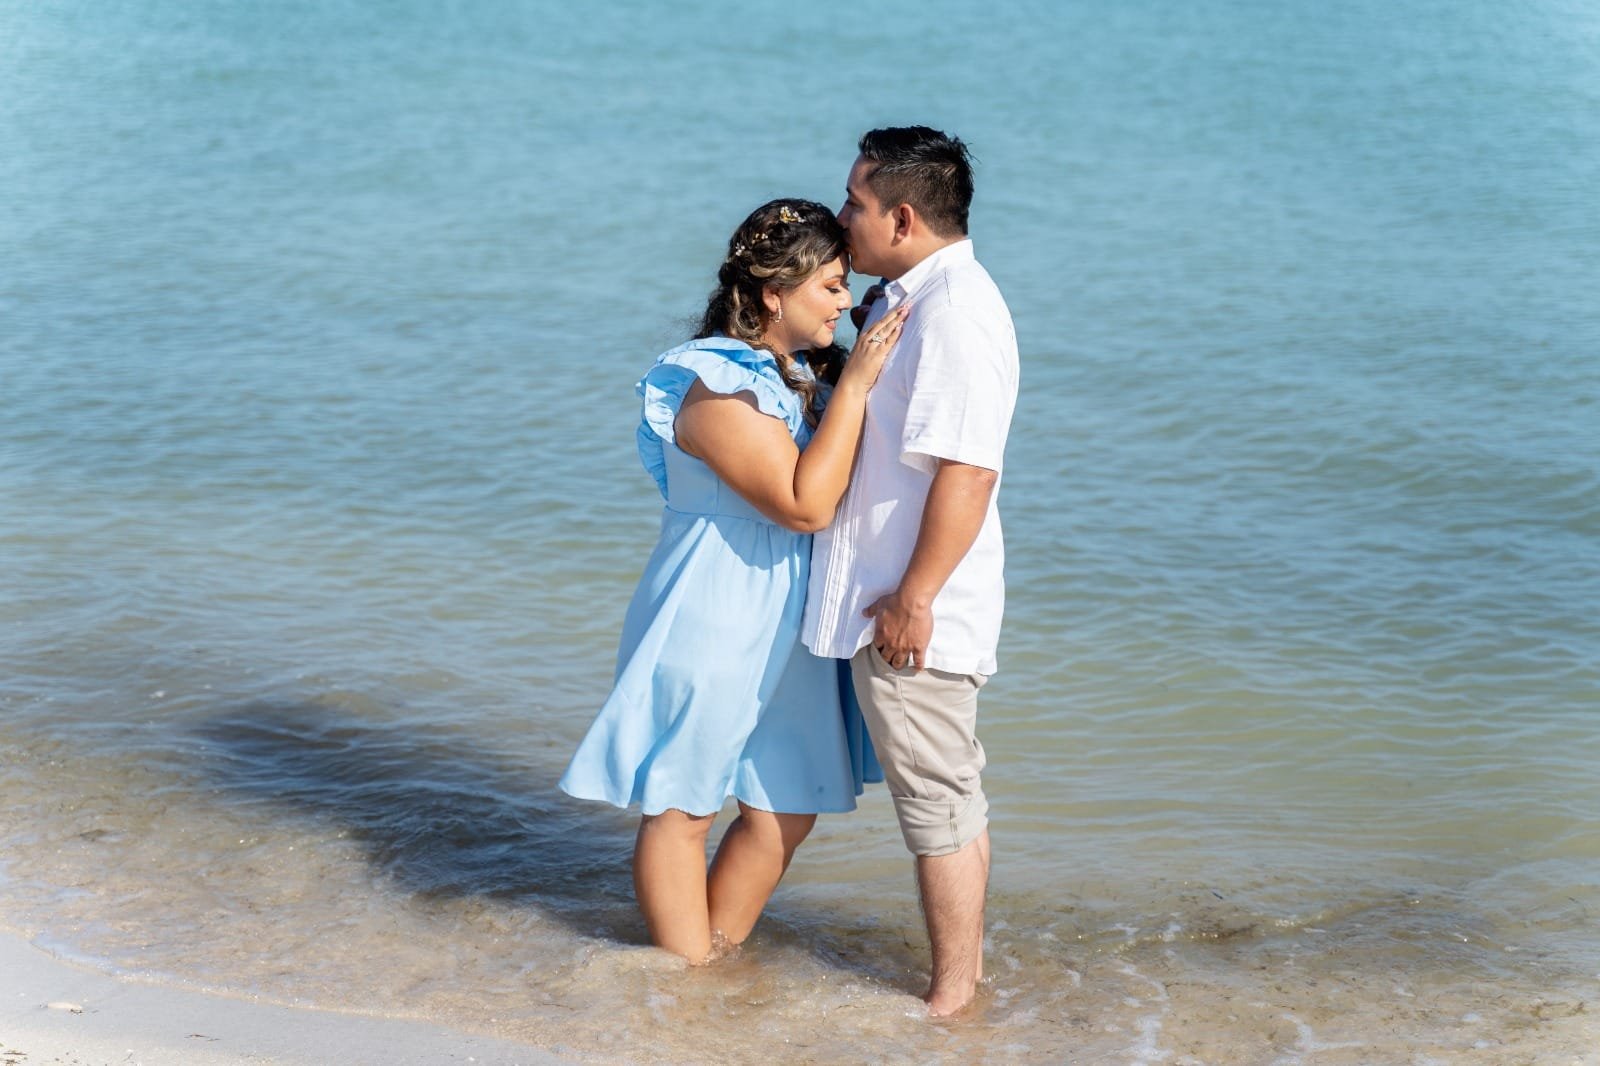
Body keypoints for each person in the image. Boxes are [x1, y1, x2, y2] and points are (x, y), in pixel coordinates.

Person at [559, 198, 908, 964]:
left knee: (788, 803)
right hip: (712, 607)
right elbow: (804, 504)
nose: (845, 303)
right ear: (771, 293)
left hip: (796, 613)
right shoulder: (713, 385)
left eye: (846, 285)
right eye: (830, 286)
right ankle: (684, 984)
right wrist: (855, 388)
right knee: (684, 804)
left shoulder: (799, 377)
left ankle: (708, 960)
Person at [803, 127, 1019, 1016]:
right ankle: (959, 987)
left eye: (855, 204)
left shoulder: (956, 312)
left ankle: (951, 1002)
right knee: (945, 799)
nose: (843, 217)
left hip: (912, 608)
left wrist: (912, 598)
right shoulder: (912, 297)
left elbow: (970, 470)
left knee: (938, 805)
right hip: (885, 596)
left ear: (901, 215)